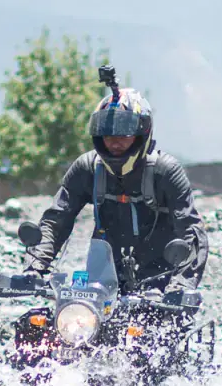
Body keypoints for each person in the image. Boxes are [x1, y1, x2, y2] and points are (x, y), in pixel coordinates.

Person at [24, 83, 208, 292]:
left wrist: (181, 285)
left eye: (124, 134)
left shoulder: (165, 171)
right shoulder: (88, 168)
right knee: (39, 322)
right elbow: (56, 220)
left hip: (160, 284)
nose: (114, 142)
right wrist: (35, 267)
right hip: (102, 279)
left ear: (142, 133)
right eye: (108, 134)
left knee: (167, 324)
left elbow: (191, 232)